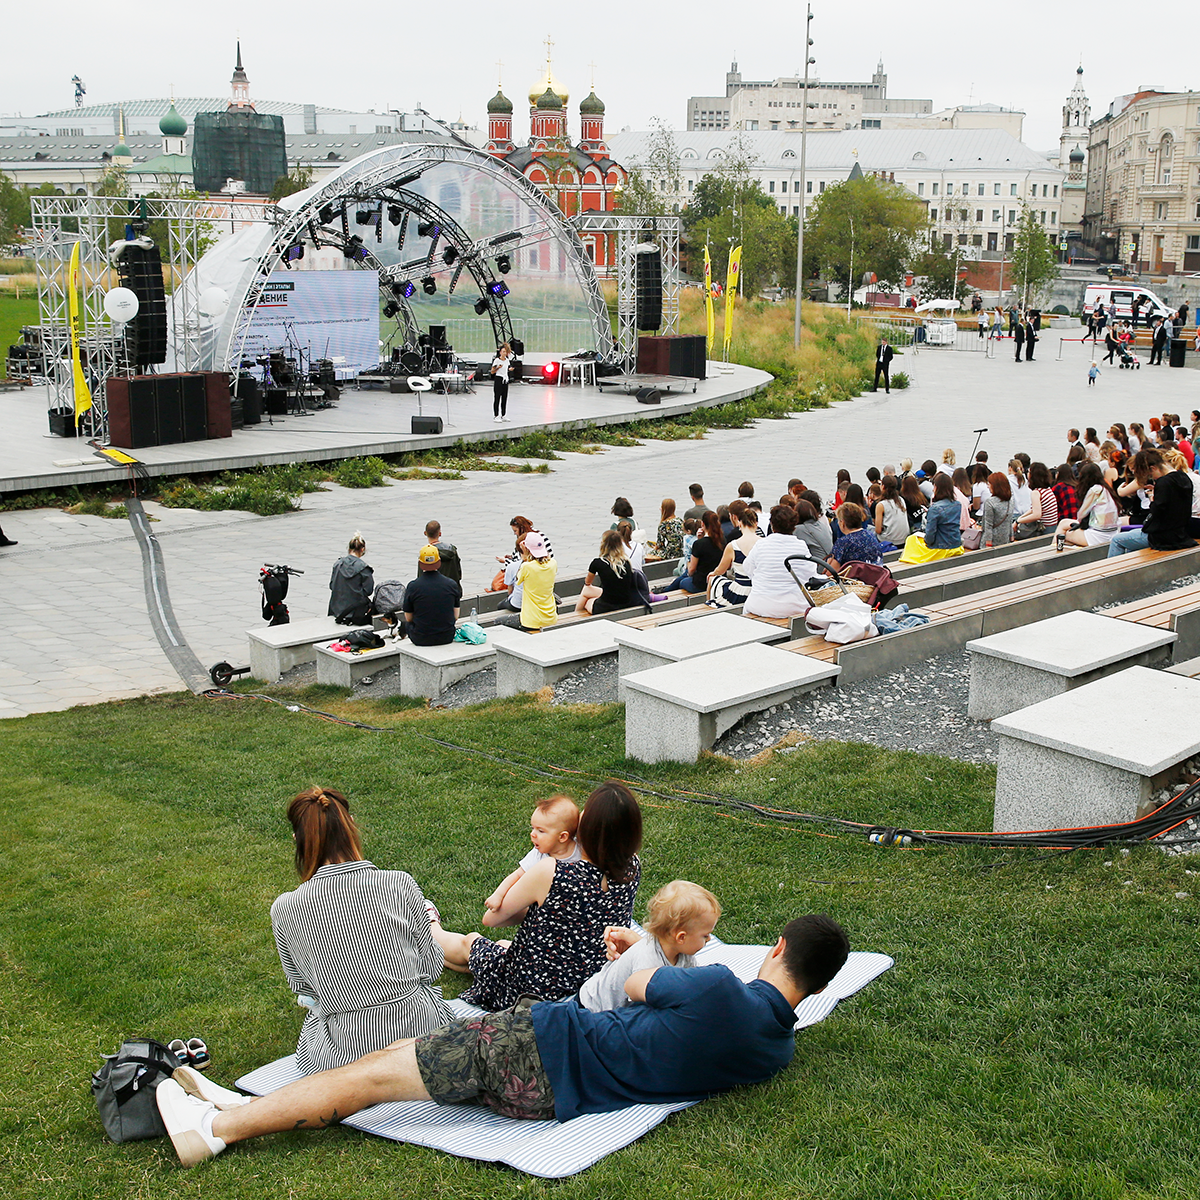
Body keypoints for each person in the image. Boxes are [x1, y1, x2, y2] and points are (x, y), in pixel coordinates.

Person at [155, 914, 851, 1164]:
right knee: (388, 1062)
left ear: (778, 946)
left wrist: (650, 961)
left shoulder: (718, 986)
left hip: (541, 1045)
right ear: (816, 989)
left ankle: (219, 1130)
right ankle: (225, 1102)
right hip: (553, 1093)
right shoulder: (776, 1054)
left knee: (374, 1078)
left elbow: (639, 984)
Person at [269, 787, 453, 1074]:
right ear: (352, 824)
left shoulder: (285, 907)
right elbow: (431, 966)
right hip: (424, 1041)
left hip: (344, 1058)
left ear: (297, 839)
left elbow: (304, 987)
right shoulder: (399, 883)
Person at [431, 781, 643, 1011]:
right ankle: (468, 962)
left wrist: (540, 906)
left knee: (471, 941)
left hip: (535, 990)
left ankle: (428, 927)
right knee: (502, 947)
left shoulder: (552, 871)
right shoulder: (632, 867)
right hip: (587, 976)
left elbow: (492, 919)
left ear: (589, 824)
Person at [577, 881, 721, 1013]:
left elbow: (693, 983)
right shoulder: (647, 962)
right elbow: (639, 1015)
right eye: (705, 935)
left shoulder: (684, 955)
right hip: (592, 1009)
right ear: (681, 937)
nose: (709, 939)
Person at [484, 795, 581, 916]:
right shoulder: (539, 855)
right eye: (533, 828)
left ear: (562, 837)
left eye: (540, 831)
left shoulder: (581, 850)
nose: (532, 834)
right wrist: (498, 895)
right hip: (546, 908)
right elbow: (517, 875)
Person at [1108, 449, 1196, 556]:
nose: (1152, 477)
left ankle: (1113, 573)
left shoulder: (1163, 482)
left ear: (1153, 468)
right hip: (1181, 533)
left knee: (1116, 540)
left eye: (1150, 474)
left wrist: (1151, 497)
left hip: (1163, 537)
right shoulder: (1183, 477)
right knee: (1131, 542)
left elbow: (1157, 512)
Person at [743, 504, 825, 618]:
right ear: (794, 526)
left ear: (772, 525)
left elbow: (747, 568)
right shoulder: (801, 546)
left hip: (759, 604)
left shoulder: (761, 545)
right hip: (794, 606)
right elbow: (810, 575)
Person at [402, 545, 461, 646]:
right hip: (446, 637)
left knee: (406, 624)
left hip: (420, 638)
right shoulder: (451, 584)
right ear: (439, 562)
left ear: (420, 563)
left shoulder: (413, 586)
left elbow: (408, 618)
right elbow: (456, 616)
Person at [898, 474, 964, 563]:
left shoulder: (935, 509)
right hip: (956, 544)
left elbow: (930, 535)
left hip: (941, 548)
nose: (933, 489)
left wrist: (927, 543)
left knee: (911, 539)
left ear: (937, 488)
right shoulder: (957, 505)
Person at [1053, 462, 1120, 549]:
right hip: (1113, 532)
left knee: (1063, 533)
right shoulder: (1106, 488)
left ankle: (1052, 550)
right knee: (1063, 523)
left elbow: (1081, 514)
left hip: (1099, 537)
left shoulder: (1095, 490)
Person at [707, 501, 759, 608]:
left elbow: (720, 570)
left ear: (740, 523)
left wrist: (712, 574)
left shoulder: (733, 546)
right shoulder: (764, 543)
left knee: (712, 578)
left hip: (740, 592)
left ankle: (708, 607)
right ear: (756, 524)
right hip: (757, 590)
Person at [576, 529, 640, 614]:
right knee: (596, 594)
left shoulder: (597, 562)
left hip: (607, 606)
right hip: (625, 602)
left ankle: (575, 615)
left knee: (587, 596)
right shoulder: (626, 562)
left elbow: (587, 582)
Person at [662, 511, 724, 595]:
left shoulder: (698, 544)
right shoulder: (722, 541)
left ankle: (665, 591)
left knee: (683, 581)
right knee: (683, 578)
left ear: (702, 524)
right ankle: (665, 590)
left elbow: (691, 570)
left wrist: (699, 540)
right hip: (718, 581)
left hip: (701, 584)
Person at [327, 533, 374, 625]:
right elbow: (368, 591)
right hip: (356, 612)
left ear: (349, 548)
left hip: (336, 610)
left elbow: (332, 585)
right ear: (362, 549)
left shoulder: (337, 564)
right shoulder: (364, 568)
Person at [514, 532, 557, 632]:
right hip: (550, 618)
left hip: (531, 621)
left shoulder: (527, 566)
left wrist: (525, 556)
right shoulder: (553, 563)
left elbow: (518, 579)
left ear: (526, 549)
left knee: (499, 622)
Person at [828, 503, 884, 569]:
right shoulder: (870, 535)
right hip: (876, 575)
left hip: (856, 578)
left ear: (842, 523)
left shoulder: (843, 543)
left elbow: (831, 571)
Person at [1014, 462, 1058, 539]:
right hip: (1053, 528)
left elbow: (1037, 515)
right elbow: (1033, 509)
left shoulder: (1036, 493)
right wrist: (1020, 519)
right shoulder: (1047, 490)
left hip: (1044, 531)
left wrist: (1018, 521)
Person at [874, 475, 909, 547]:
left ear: (883, 486)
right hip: (904, 538)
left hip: (889, 540)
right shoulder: (901, 500)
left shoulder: (881, 505)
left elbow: (878, 530)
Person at [981, 472, 1013, 548]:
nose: (988, 487)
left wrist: (988, 543)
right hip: (1005, 540)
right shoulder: (1010, 501)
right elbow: (1009, 521)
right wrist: (1011, 537)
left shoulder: (990, 502)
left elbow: (988, 526)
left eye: (989, 484)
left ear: (995, 486)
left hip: (992, 541)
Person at [490, 342, 512, 422]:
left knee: (504, 398)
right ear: (500, 352)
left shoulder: (507, 361)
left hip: (505, 380)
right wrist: (497, 368)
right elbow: (492, 371)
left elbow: (507, 369)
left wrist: (509, 369)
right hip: (498, 379)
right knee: (497, 398)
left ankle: (503, 415)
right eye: (503, 352)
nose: (504, 353)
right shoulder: (497, 360)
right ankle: (496, 415)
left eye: (505, 352)